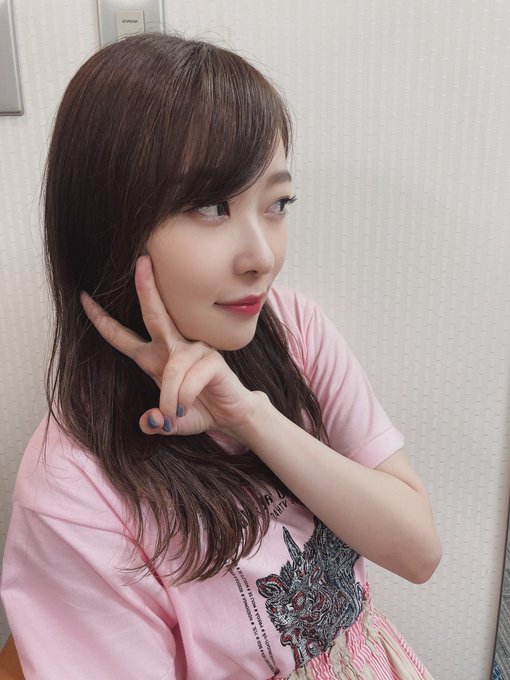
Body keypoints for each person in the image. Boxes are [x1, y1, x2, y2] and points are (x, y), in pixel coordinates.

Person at [1, 33, 441, 679]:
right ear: (107, 223)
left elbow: (418, 552)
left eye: (277, 204)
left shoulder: (295, 330)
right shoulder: (74, 487)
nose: (262, 256)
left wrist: (252, 418)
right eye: (212, 206)